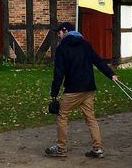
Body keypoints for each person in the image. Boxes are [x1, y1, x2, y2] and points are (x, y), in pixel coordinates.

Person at [46, 21, 118, 159]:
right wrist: (111, 74)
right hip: (88, 88)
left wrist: (54, 94)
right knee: (90, 118)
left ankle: (61, 148)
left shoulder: (62, 49)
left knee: (62, 115)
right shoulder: (85, 44)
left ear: (65, 32)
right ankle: (97, 149)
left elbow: (58, 74)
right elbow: (98, 61)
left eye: (59, 32)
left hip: (73, 89)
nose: (58, 35)